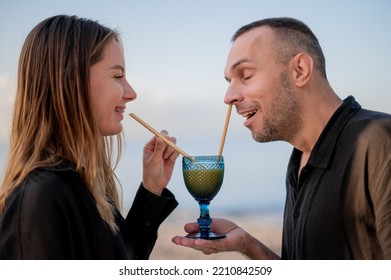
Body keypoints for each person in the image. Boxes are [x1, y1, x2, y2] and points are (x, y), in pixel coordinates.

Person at [172, 17, 391, 259]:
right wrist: (249, 245)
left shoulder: (379, 142)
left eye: (245, 75)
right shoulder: (299, 160)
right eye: (229, 81)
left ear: (300, 70)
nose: (229, 96)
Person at [0, 15, 180, 259]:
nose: (132, 93)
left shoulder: (85, 183)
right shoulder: (40, 198)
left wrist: (151, 188)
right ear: (71, 81)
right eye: (118, 76)